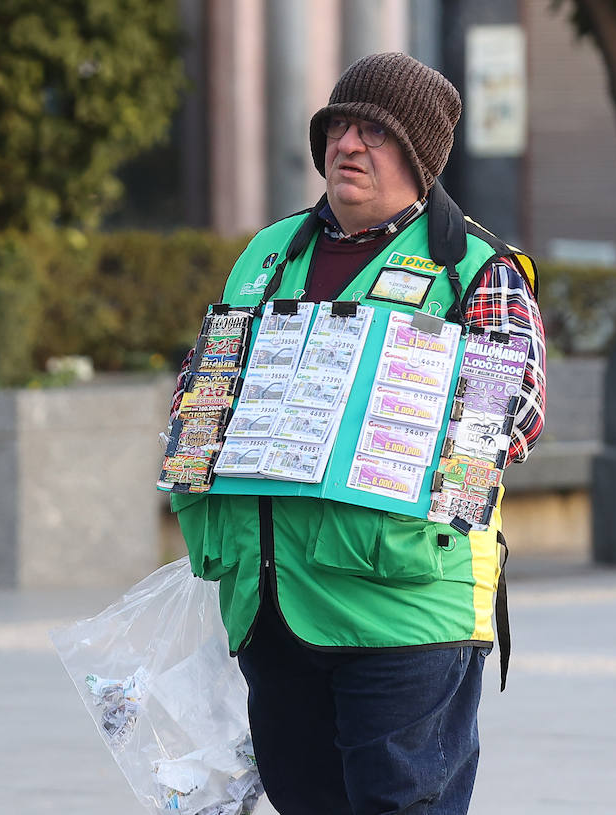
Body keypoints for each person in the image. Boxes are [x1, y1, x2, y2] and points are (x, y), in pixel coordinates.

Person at [169, 52, 547, 814]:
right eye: (338, 125)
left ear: (420, 157)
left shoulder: (471, 267)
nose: (347, 143)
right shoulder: (269, 255)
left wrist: (378, 411)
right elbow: (199, 393)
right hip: (274, 606)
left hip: (404, 611)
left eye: (374, 130)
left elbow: (510, 421)